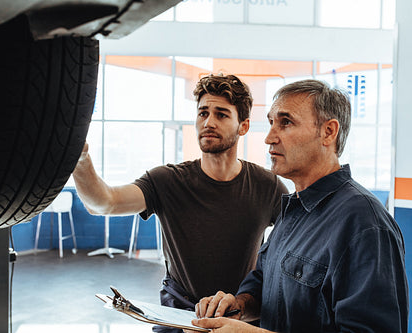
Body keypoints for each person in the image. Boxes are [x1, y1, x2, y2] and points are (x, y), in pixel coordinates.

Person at [72, 74, 288, 332]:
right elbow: (103, 203)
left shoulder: (268, 186)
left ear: (243, 126)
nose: (208, 122)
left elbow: (296, 245)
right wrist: (78, 157)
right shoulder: (167, 180)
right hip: (177, 317)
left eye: (221, 115)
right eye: (202, 113)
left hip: (238, 320)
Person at [191, 79, 409, 333]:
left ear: (328, 132)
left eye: (286, 122)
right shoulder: (295, 208)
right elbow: (263, 281)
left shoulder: (365, 224)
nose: (270, 138)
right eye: (271, 122)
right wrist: (239, 305)